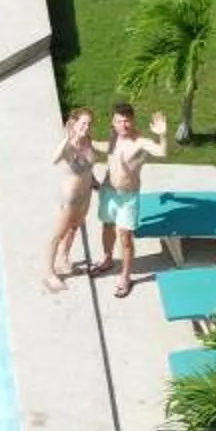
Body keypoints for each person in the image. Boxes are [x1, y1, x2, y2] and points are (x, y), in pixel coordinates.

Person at [95, 101, 169, 297]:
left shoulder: (140, 142)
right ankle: (107, 258)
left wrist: (162, 134)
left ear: (133, 121)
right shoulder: (113, 137)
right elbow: (104, 151)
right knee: (107, 226)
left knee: (125, 237)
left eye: (127, 121)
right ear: (113, 122)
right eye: (119, 121)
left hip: (128, 197)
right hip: (108, 193)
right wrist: (84, 140)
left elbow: (162, 152)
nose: (124, 125)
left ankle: (126, 276)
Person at [44, 109, 96, 291]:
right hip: (70, 200)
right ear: (74, 124)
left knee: (75, 228)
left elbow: (89, 167)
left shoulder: (88, 141)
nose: (86, 127)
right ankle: (49, 273)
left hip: (85, 196)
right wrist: (67, 138)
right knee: (57, 235)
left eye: (89, 124)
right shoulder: (68, 146)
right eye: (83, 123)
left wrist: (94, 181)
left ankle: (64, 258)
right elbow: (54, 159)